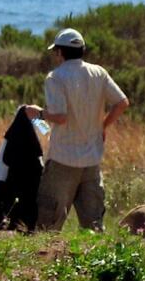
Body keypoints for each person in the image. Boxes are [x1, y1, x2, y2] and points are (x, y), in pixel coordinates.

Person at [23, 28, 129, 231]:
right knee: (94, 226)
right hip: (91, 160)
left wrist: (39, 113)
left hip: (63, 159)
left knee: (48, 224)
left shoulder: (55, 78)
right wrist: (103, 126)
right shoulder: (99, 73)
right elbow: (122, 102)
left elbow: (61, 117)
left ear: (60, 53)